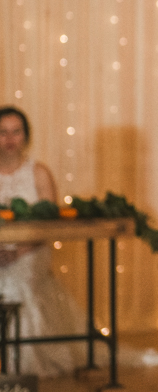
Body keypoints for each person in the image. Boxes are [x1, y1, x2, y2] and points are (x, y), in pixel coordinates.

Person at [0, 106, 87, 376]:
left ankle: (17, 368)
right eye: (2, 132)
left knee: (12, 284)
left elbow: (50, 227)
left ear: (26, 136)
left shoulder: (39, 173)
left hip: (30, 253)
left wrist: (17, 252)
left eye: (16, 132)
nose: (10, 139)